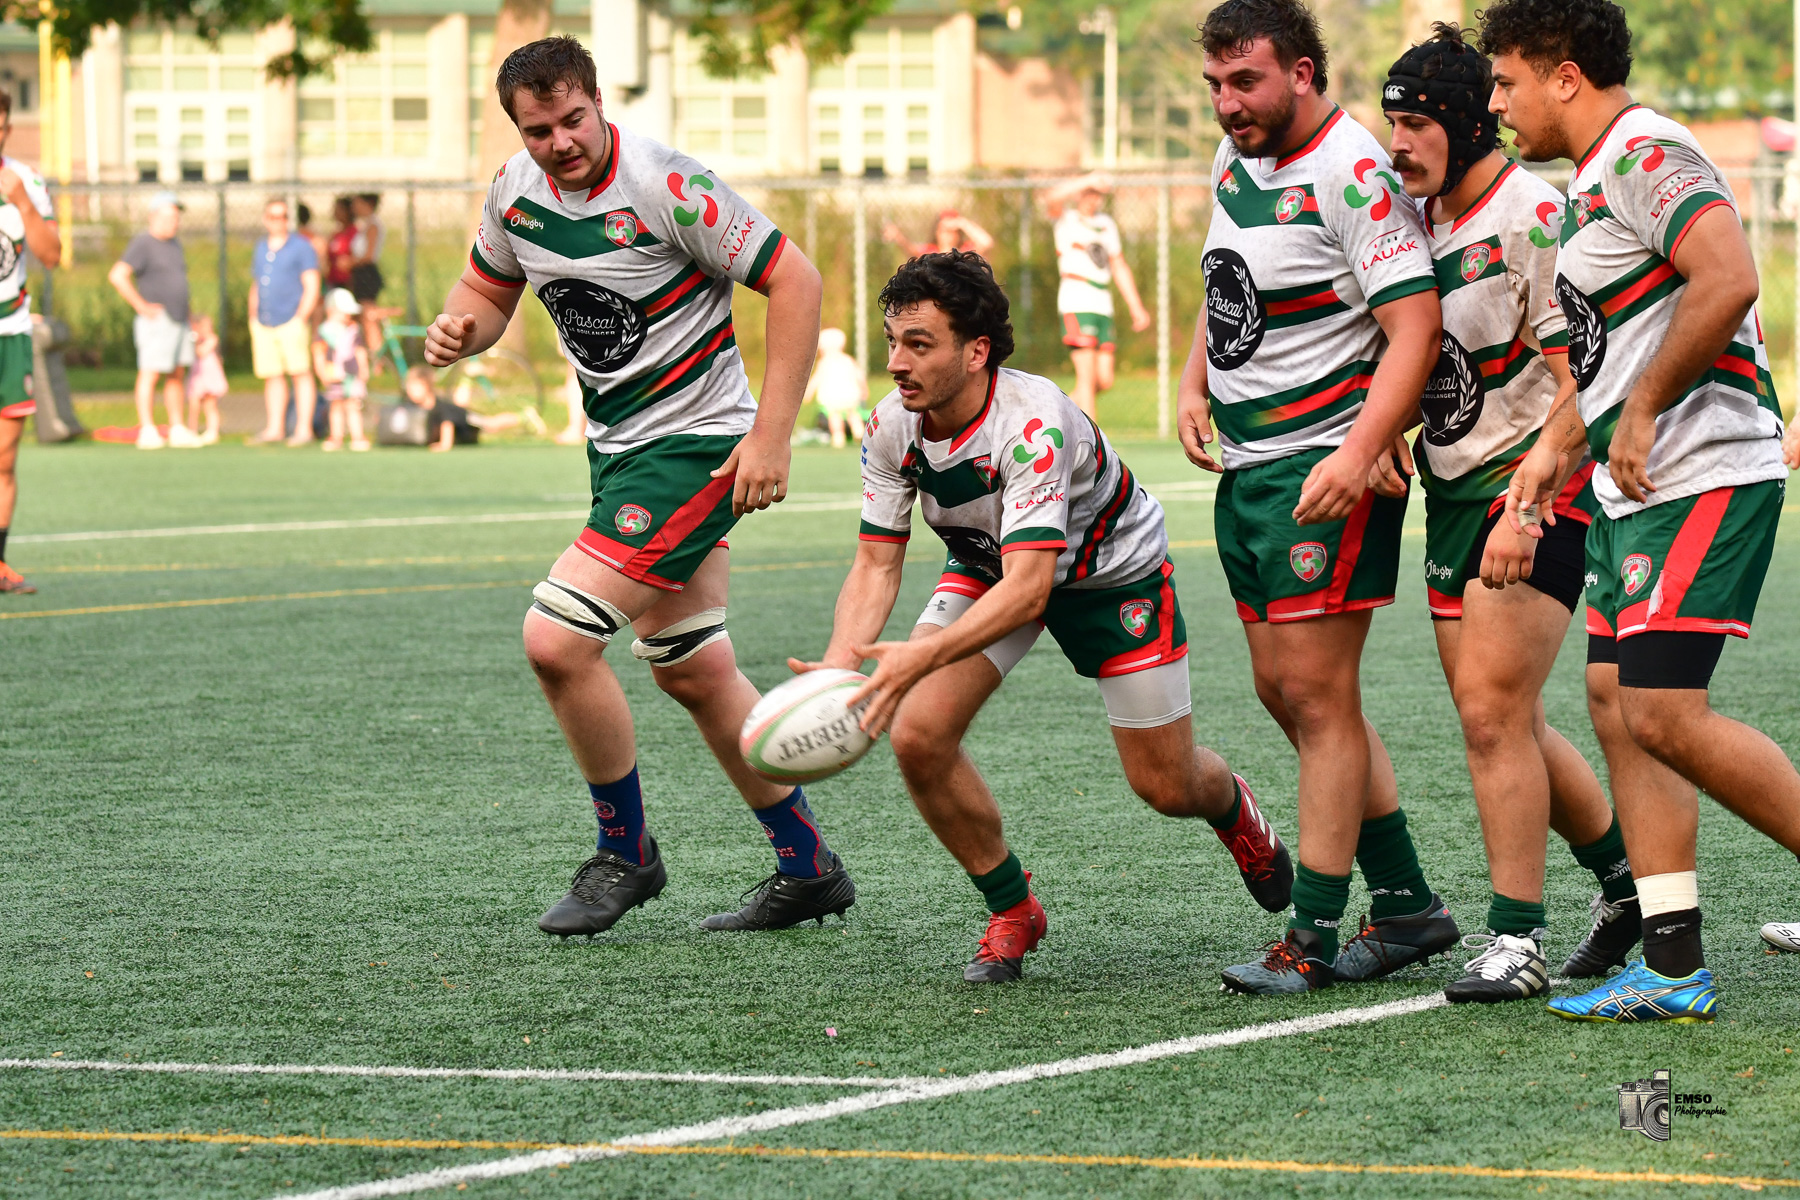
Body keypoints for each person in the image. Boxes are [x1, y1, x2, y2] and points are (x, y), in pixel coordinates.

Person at [422, 37, 832, 937]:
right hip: (618, 449)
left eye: (574, 119)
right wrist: (461, 330)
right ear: (518, 128)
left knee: (555, 641)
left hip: (697, 448)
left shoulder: (665, 185)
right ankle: (808, 867)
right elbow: (487, 293)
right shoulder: (513, 193)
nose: (561, 141)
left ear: (597, 101)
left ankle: (626, 855)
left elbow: (795, 280)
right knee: (692, 665)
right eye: (540, 130)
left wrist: (771, 435)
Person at [801, 251, 1293, 983]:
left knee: (1165, 786)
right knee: (919, 733)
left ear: (976, 353)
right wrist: (843, 667)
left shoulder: (1031, 424)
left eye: (919, 344)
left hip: (1109, 575)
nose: (897, 363)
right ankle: (1013, 908)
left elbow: (1030, 591)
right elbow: (877, 562)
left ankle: (1233, 808)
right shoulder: (889, 427)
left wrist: (918, 655)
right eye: (892, 342)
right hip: (990, 564)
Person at [1482, 0, 1800, 1024]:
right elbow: (1610, 352)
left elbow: (1730, 277)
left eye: (1506, 82)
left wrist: (1650, 408)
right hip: (1634, 490)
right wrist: (1552, 457)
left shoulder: (1644, 150)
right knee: (1622, 707)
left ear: (1564, 74)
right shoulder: (1587, 186)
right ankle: (1671, 966)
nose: (1497, 105)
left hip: (1703, 471)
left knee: (1662, 708)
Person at [1181, 0, 1452, 995]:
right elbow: (1224, 285)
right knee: (1286, 694)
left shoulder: (1354, 176)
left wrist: (1363, 449)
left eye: (1244, 82)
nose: (1227, 103)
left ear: (1302, 72)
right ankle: (1413, 904)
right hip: (1252, 469)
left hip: (1323, 468)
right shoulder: (1235, 159)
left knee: (1321, 701)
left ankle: (1316, 934)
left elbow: (1415, 329)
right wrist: (1192, 378)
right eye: (1214, 85)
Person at [1373, 25, 1639, 1004]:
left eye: (1412, 124)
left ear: (1456, 121)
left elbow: (1589, 379)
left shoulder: (1533, 212)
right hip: (1454, 498)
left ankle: (1516, 937)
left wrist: (1529, 503)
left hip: (1535, 490)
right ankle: (1627, 891)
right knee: (1503, 716)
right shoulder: (1411, 217)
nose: (1395, 144)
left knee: (1491, 714)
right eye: (1388, 123)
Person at [0, 85, 58, 596]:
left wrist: (20, 199)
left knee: (5, 457)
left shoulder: (26, 182)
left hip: (10, 332)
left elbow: (53, 254)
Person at [1046, 175, 1149, 421]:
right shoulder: (1066, 219)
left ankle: (1053, 415)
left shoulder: (1106, 224)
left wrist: (1136, 307)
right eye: (1088, 192)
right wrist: (1088, 179)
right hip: (1077, 298)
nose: (1092, 198)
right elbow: (1051, 197)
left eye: (1096, 193)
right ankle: (1095, 445)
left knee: (1104, 379)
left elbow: (1118, 264)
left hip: (1102, 302)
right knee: (1087, 377)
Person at [109, 192, 198, 450]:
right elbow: (118, 275)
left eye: (177, 217)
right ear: (153, 217)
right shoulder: (143, 243)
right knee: (150, 373)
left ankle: (177, 427)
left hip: (179, 318)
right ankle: (147, 429)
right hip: (157, 321)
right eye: (169, 216)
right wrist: (141, 305)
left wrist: (190, 314)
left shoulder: (175, 244)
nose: (175, 222)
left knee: (176, 373)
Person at [247, 196, 321, 447]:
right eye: (272, 216)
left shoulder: (301, 246)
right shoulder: (261, 247)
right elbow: (257, 283)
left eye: (282, 216)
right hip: (264, 321)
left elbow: (311, 284)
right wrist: (252, 315)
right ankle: (275, 427)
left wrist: (301, 316)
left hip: (291, 318)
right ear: (265, 219)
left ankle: (303, 429)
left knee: (300, 373)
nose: (278, 221)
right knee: (273, 375)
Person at [422, 371, 545, 451]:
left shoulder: (440, 406)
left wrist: (445, 444)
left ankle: (525, 416)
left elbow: (447, 421)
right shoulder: (421, 405)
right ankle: (467, 380)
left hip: (465, 418)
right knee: (459, 404)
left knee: (490, 424)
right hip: (460, 418)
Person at [311, 288, 371, 452]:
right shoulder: (323, 331)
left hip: (352, 375)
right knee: (335, 407)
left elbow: (359, 350)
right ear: (331, 311)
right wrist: (321, 372)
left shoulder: (353, 329)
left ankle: (357, 437)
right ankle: (336, 437)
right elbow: (318, 353)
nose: (348, 316)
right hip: (334, 375)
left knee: (353, 406)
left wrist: (364, 368)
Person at [802, 326, 866, 448]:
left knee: (834, 416)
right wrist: (863, 389)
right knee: (853, 414)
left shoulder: (824, 362)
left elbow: (816, 379)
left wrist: (808, 394)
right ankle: (859, 432)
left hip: (832, 396)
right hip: (850, 394)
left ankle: (838, 436)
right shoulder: (848, 360)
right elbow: (859, 376)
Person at [349, 193, 387, 359]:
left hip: (367, 273)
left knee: (368, 316)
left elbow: (369, 255)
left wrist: (350, 262)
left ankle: (376, 357)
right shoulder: (364, 225)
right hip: (360, 273)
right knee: (361, 316)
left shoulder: (373, 225)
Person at [882, 210, 995, 259]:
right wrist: (898, 237)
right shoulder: (931, 252)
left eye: (952, 230)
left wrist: (962, 222)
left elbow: (987, 242)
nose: (947, 235)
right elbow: (911, 250)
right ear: (937, 231)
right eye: (944, 229)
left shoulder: (965, 252)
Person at [186, 313, 227, 446]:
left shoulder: (212, 339)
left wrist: (196, 342)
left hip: (209, 376)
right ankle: (192, 430)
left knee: (210, 404)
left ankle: (212, 431)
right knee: (194, 404)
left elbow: (201, 352)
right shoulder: (195, 340)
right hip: (198, 376)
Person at [325, 197, 355, 293]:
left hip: (348, 280)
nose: (336, 212)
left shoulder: (354, 232)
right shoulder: (335, 234)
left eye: (339, 209)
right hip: (333, 279)